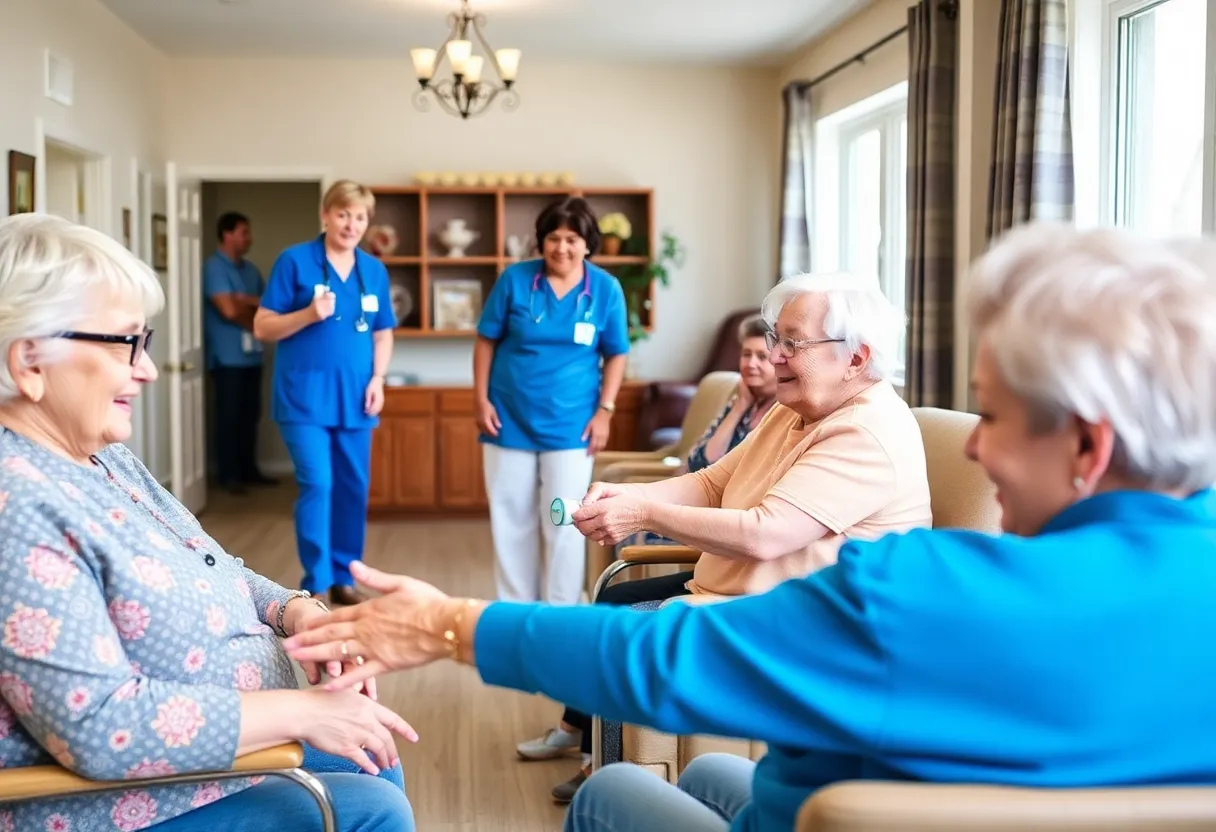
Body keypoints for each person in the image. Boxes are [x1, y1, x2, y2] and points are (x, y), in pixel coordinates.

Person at [286, 223, 1216, 832]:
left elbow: (662, 662)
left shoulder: (919, 595)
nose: (974, 454)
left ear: (1088, 447)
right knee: (702, 786)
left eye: (995, 419)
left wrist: (443, 623)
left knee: (614, 792)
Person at [0, 213, 415, 832]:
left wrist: (297, 612)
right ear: (29, 361)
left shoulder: (104, 456)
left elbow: (217, 564)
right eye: (125, 344)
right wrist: (299, 712)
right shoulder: (18, 508)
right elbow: (100, 727)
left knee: (373, 753)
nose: (149, 370)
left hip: (198, 757)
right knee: (372, 807)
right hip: (111, 802)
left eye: (148, 341)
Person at [474, 197, 629, 607]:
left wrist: (605, 412)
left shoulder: (605, 289)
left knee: (565, 523)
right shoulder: (515, 280)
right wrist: (481, 400)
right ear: (541, 242)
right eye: (553, 238)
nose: (562, 247)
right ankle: (515, 613)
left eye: (572, 239)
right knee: (511, 524)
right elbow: (486, 341)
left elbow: (616, 352)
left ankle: (560, 617)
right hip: (508, 420)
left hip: (572, 426)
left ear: (587, 243)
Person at [253, 181, 395, 607]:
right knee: (318, 483)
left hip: (356, 397)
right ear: (326, 215)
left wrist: (378, 378)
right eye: (343, 214)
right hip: (305, 399)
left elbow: (383, 332)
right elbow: (263, 326)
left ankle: (344, 575)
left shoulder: (374, 270)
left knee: (353, 486)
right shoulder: (295, 262)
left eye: (360, 217)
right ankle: (315, 578)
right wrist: (307, 314)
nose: (351, 224)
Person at [204, 211, 276, 495]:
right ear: (227, 234)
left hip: (252, 357)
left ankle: (249, 470)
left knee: (250, 415)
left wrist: (245, 301)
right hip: (227, 358)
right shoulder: (213, 267)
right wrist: (251, 314)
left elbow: (269, 308)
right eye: (244, 232)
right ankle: (229, 475)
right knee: (229, 417)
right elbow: (228, 310)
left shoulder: (250, 270)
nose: (250, 238)